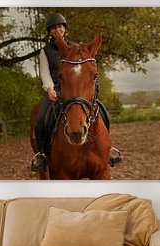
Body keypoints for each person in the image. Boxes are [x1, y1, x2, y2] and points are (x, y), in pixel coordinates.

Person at [31, 13, 123, 172]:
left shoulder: (76, 47)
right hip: (57, 90)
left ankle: (107, 149)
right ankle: (42, 155)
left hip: (77, 90)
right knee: (40, 120)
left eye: (60, 26)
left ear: (64, 29)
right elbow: (45, 73)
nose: (57, 30)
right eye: (54, 28)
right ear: (49, 31)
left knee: (102, 111)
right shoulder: (44, 52)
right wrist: (50, 88)